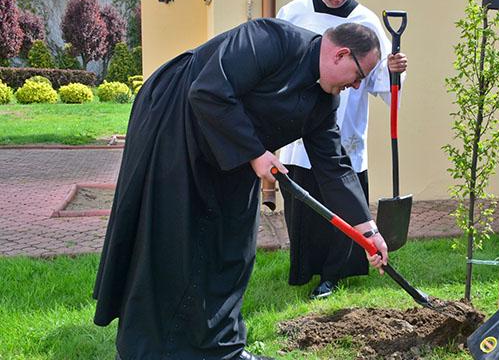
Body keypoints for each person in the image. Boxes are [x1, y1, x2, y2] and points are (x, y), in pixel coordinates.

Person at [92, 20, 390, 360]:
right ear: (341, 54)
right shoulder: (270, 39)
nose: (356, 86)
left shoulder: (324, 103)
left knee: (233, 244)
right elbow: (208, 90)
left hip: (232, 145)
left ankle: (221, 348)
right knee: (169, 237)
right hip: (175, 121)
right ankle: (145, 350)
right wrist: (254, 152)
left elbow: (334, 167)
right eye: (358, 75)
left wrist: (368, 229)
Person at [276, 0, 408, 300]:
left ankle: (334, 273)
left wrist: (394, 71)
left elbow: (380, 83)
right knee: (304, 201)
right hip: (299, 124)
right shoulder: (293, 13)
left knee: (341, 195)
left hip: (344, 128)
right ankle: (304, 267)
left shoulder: (366, 22)